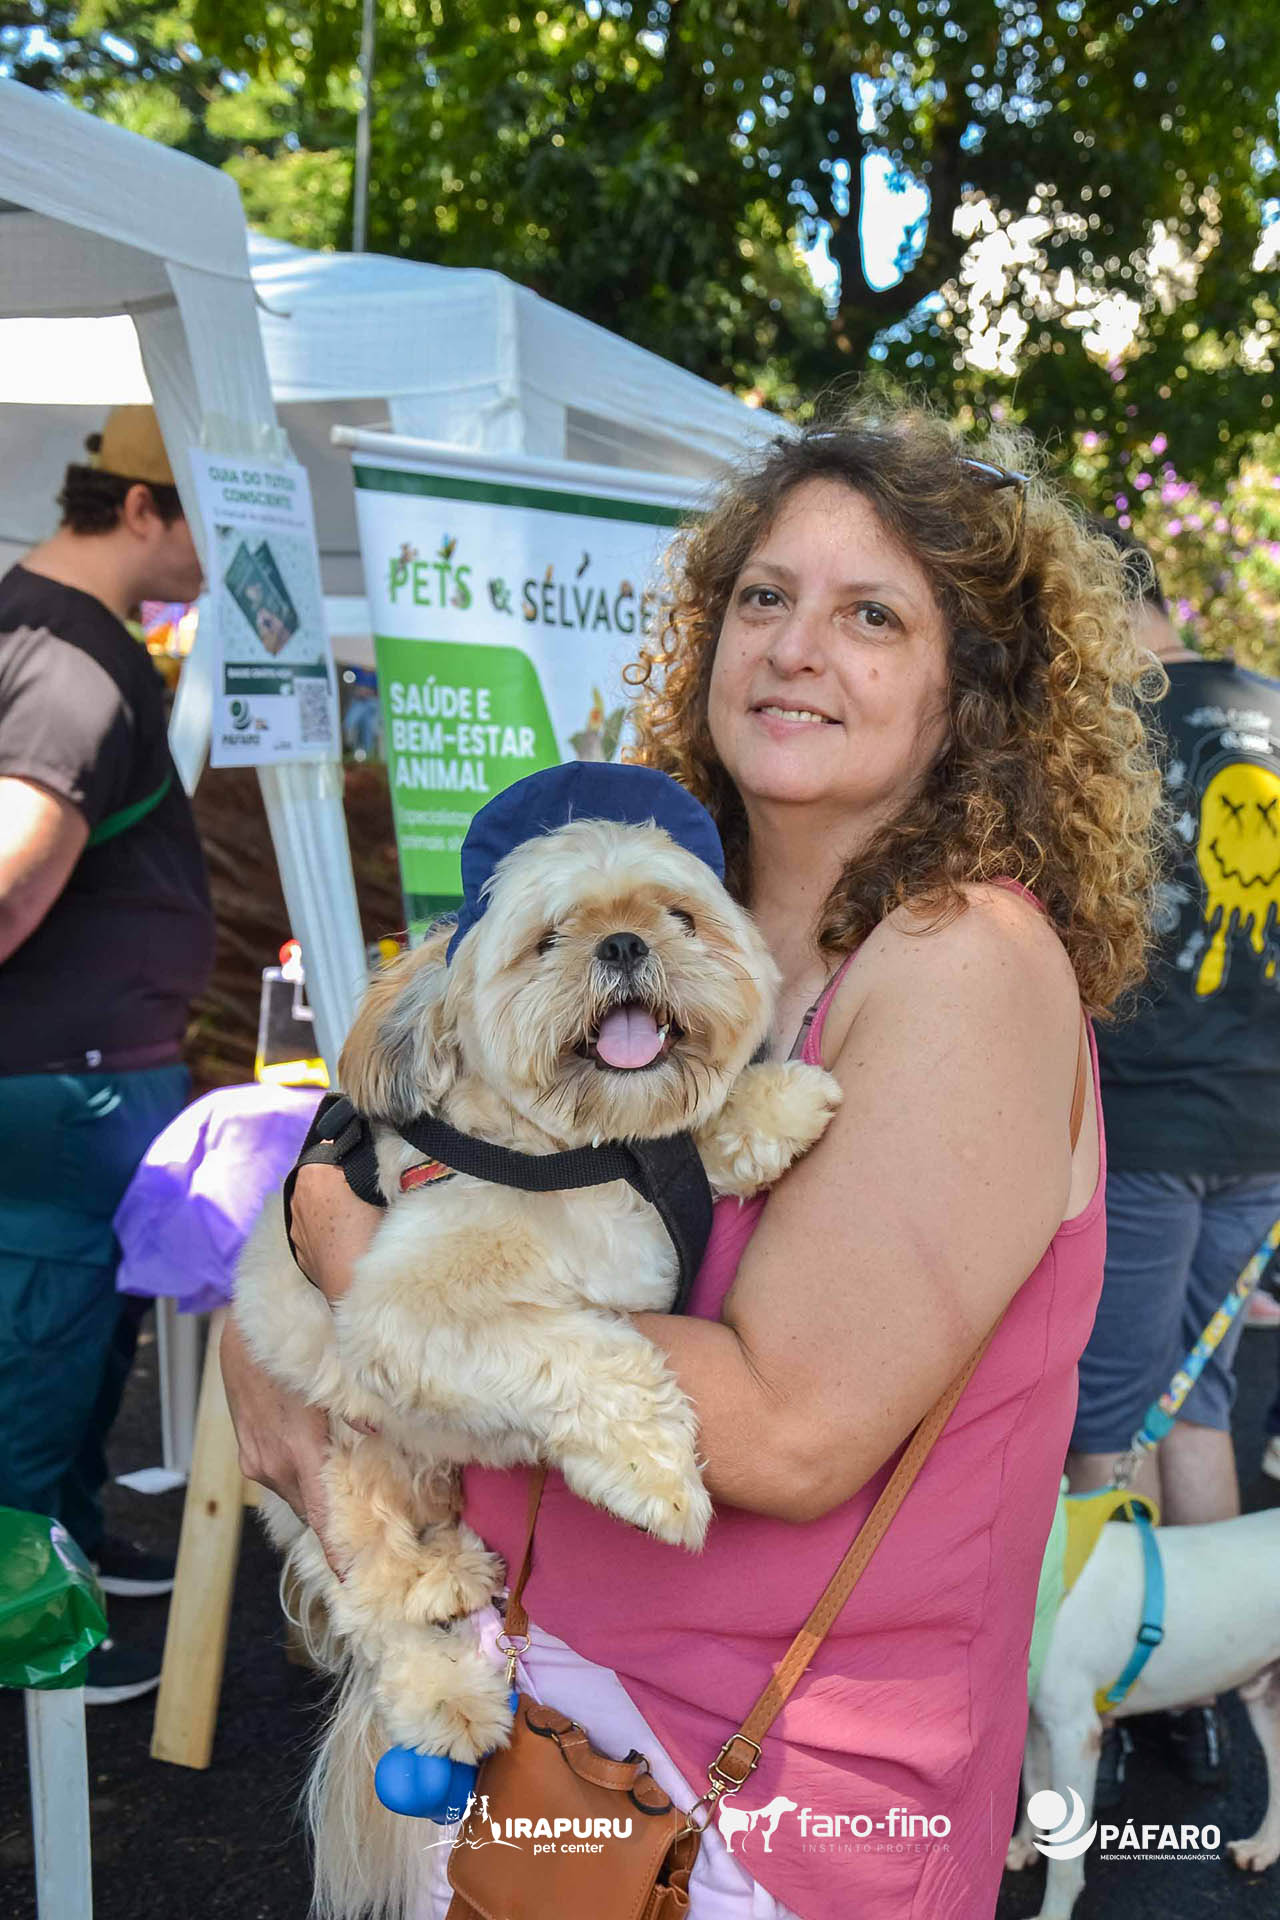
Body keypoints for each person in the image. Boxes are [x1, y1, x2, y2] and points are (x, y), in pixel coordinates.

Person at [221, 403, 1161, 1918]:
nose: (795, 647)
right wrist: (292, 1285)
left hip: (772, 1799)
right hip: (547, 1718)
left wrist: (352, 1260)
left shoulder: (962, 963)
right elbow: (404, 1135)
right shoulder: (655, 925)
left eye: (871, 616)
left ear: (972, 688)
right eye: (764, 597)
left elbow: (790, 1430)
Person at [0, 406, 214, 1704]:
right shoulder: (76, 661)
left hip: (74, 1072)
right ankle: (32, 1642)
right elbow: (10, 883)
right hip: (59, 1078)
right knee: (34, 1366)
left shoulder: (47, 630)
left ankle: (66, 1561)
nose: (212, 556)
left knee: (71, 1353)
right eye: (198, 522)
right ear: (139, 507)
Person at [1066, 525, 1280, 1795]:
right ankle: (1211, 1693)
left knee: (1110, 1416)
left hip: (1144, 1124)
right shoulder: (1271, 712)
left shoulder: (1113, 731)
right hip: (1258, 1129)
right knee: (1200, 1405)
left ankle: (1125, 1685)